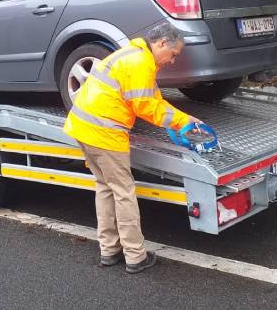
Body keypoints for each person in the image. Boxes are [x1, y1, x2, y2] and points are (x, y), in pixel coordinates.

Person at [63, 24, 203, 274]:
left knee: (105, 187)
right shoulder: (140, 62)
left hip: (82, 127)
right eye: (173, 54)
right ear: (161, 44)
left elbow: (152, 98)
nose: (172, 61)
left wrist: (180, 116)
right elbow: (146, 106)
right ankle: (135, 256)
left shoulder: (130, 54)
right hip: (103, 133)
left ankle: (109, 250)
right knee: (123, 192)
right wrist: (184, 121)